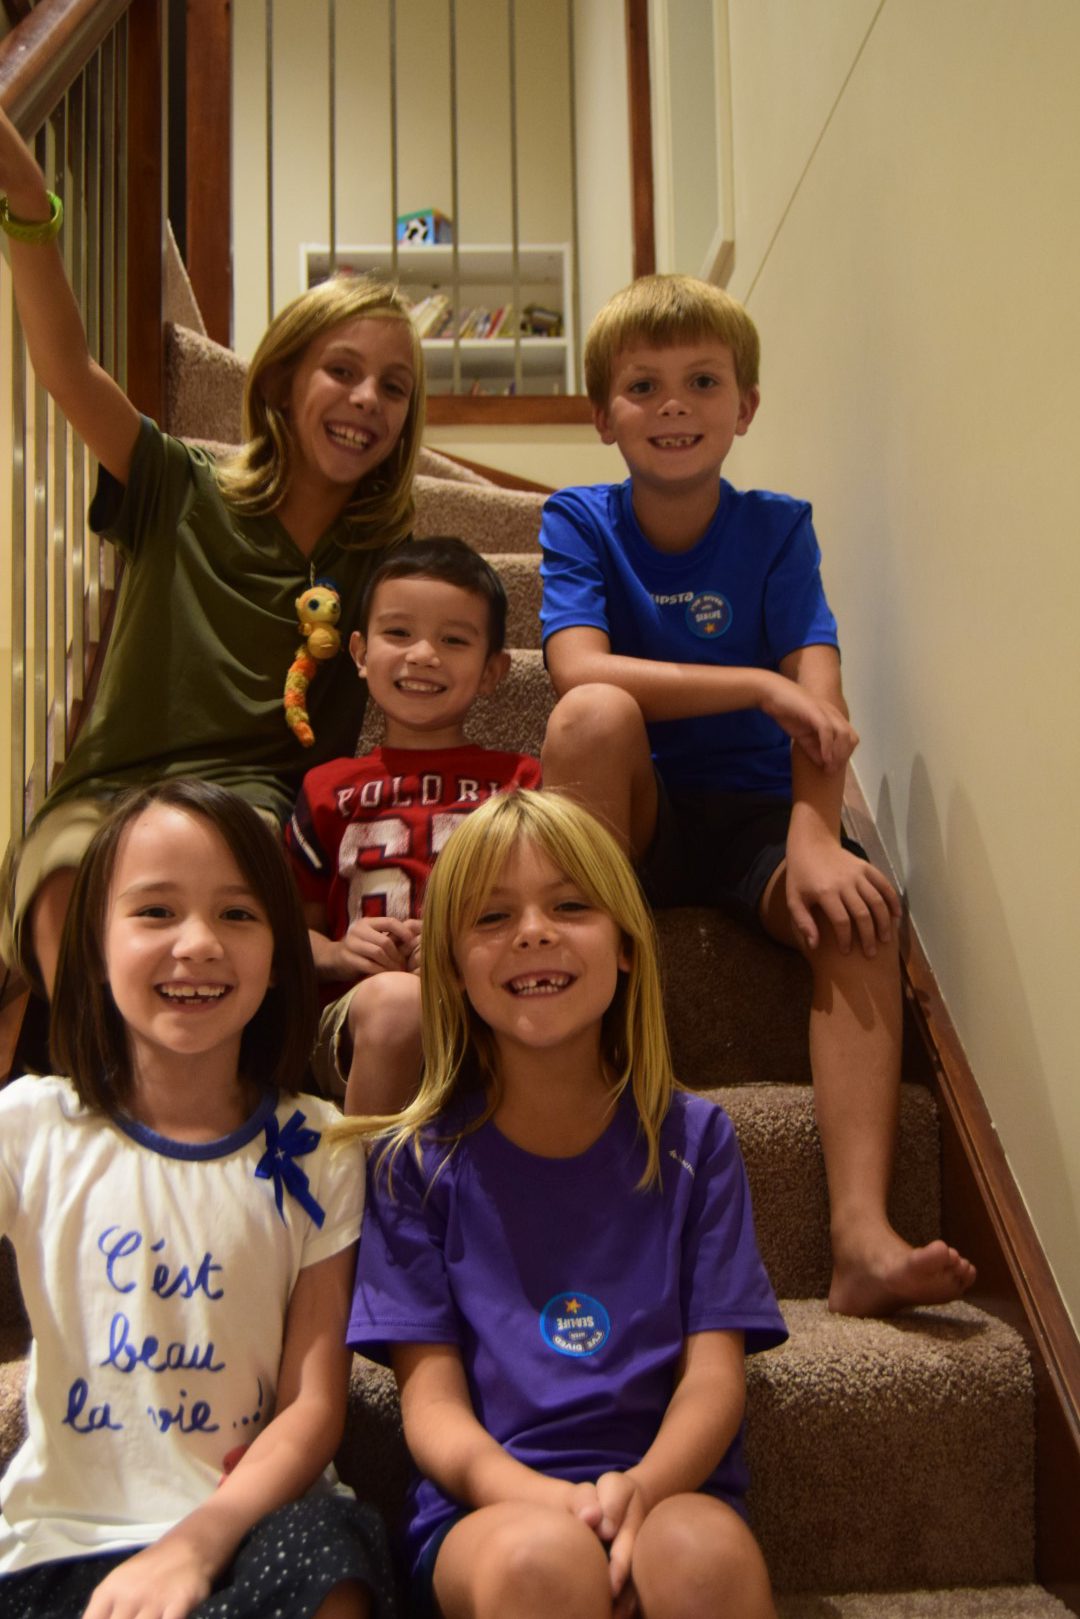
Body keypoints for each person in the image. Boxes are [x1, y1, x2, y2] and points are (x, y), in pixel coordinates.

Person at [539, 272, 975, 1318]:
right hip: (634, 807)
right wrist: (754, 684)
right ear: (603, 416)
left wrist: (817, 835)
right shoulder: (579, 517)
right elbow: (575, 668)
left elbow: (820, 702)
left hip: (753, 816)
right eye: (643, 385)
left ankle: (861, 1234)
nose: (675, 405)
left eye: (703, 381)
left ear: (747, 406)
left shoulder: (778, 528)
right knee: (592, 718)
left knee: (861, 912)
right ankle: (572, 1119)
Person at [0, 102, 426, 998]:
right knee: (66, 879)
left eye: (393, 388)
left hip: (252, 812)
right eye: (341, 370)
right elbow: (68, 371)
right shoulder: (178, 485)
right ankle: (98, 1065)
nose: (367, 400)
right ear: (281, 382)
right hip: (110, 790)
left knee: (215, 875)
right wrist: (31, 210)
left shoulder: (386, 557)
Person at [347, 789, 787, 1619]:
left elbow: (713, 1378)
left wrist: (641, 1489)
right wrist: (548, 1501)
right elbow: (431, 1406)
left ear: (626, 947)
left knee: (704, 1558)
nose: (534, 931)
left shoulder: (698, 1142)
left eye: (571, 905)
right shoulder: (416, 1166)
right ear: (451, 968)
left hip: (670, 1488)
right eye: (493, 917)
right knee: (543, 1563)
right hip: (487, 1510)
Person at [0, 778, 395, 1619]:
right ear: (94, 946)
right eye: (155, 911)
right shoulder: (31, 1125)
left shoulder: (322, 1142)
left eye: (237, 913)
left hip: (256, 1517)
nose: (198, 943)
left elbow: (314, 1405)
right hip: (65, 1536)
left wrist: (195, 1542)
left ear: (280, 951)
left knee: (336, 1567)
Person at [284, 538, 541, 1115]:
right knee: (401, 1004)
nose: (424, 654)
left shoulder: (521, 781)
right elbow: (290, 931)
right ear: (359, 652)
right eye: (399, 632)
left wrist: (469, 946)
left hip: (483, 1007)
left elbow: (544, 910)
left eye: (454, 640)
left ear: (493, 671)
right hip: (359, 1019)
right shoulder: (326, 787)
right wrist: (338, 953)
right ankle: (367, 1172)